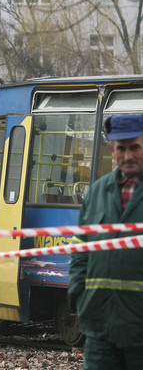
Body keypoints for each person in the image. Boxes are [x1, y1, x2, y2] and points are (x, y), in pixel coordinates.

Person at [69, 113, 143, 369]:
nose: (128, 155)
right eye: (121, 148)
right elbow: (80, 249)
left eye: (135, 147)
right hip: (100, 324)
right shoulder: (97, 193)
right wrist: (79, 294)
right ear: (112, 149)